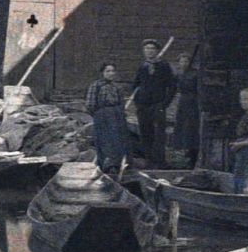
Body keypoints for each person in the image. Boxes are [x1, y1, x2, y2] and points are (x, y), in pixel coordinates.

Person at [131, 40, 176, 168]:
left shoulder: (164, 66)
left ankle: (160, 162)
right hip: (143, 107)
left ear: (156, 51)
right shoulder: (142, 67)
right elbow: (135, 85)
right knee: (146, 134)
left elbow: (172, 86)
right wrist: (138, 102)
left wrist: (164, 104)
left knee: (159, 134)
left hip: (158, 106)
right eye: (147, 48)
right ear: (144, 51)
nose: (149, 51)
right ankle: (149, 161)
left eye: (152, 48)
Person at [86, 61, 131, 174]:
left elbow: (121, 102)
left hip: (116, 114)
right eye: (108, 71)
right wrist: (99, 114)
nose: (111, 73)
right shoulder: (96, 85)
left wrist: (120, 113)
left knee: (117, 139)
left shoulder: (117, 87)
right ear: (102, 73)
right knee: (104, 139)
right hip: (102, 114)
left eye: (113, 71)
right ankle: (106, 165)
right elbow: (90, 104)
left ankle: (118, 164)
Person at [169, 51, 201, 165]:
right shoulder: (178, 74)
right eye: (182, 61)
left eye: (186, 61)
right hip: (183, 102)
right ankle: (183, 152)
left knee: (192, 127)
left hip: (193, 102)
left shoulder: (195, 74)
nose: (184, 63)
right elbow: (173, 88)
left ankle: (193, 152)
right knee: (182, 126)